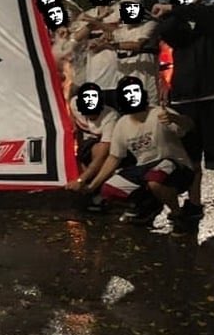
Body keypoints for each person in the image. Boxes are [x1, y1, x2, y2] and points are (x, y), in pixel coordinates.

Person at [152, 0, 214, 229]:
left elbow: (210, 16)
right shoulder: (173, 23)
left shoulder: (212, 14)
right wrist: (177, 11)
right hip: (185, 98)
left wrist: (173, 8)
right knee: (191, 158)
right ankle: (194, 204)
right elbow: (167, 29)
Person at [82, 75, 195, 233]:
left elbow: (189, 125)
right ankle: (147, 205)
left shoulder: (158, 113)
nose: (132, 96)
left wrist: (174, 118)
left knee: (155, 179)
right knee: (109, 190)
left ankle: (178, 215)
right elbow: (114, 157)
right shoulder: (122, 124)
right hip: (145, 169)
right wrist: (92, 186)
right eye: (127, 93)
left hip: (175, 166)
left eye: (135, 91)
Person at [64, 82, 120, 212]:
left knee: (98, 151)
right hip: (87, 142)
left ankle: (97, 190)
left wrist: (80, 180)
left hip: (107, 147)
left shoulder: (110, 118)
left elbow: (103, 154)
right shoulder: (75, 104)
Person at [71, 0, 120, 107]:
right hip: (94, 77)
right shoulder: (89, 14)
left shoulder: (119, 11)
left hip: (117, 76)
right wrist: (97, 19)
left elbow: (121, 33)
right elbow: (76, 37)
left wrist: (94, 22)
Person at [110, 0, 160, 106]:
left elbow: (137, 45)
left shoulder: (149, 25)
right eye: (126, 7)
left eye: (134, 7)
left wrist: (112, 45)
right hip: (126, 85)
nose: (130, 10)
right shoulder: (120, 31)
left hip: (147, 84)